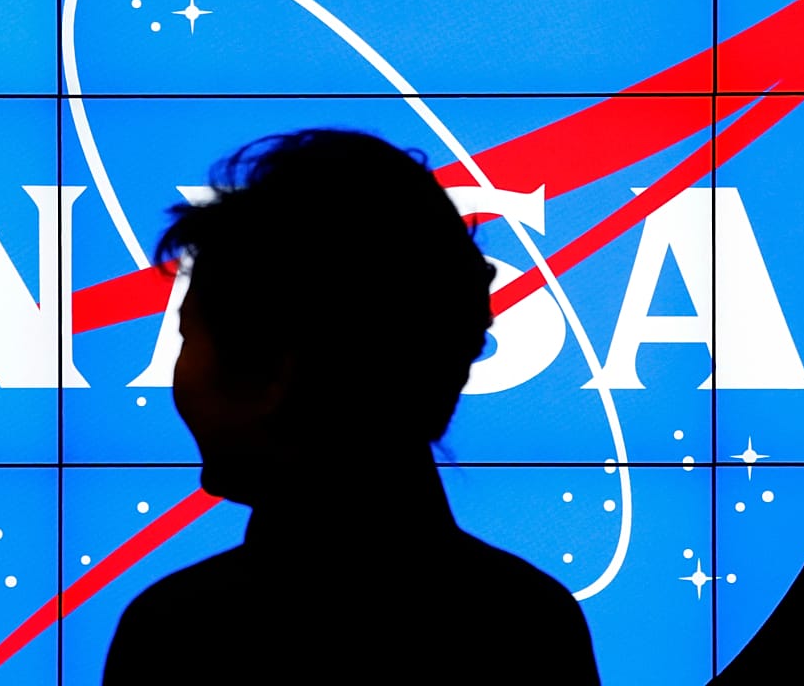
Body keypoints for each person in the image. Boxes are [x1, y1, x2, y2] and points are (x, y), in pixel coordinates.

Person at [103, 128, 601, 684]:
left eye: (188, 337)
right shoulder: (532, 625)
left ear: (275, 371)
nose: (179, 376)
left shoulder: (180, 635)